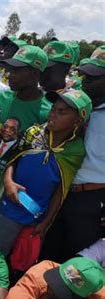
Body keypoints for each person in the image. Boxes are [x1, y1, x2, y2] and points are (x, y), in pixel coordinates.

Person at [0, 89, 91, 256]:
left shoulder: (75, 150)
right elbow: (13, 160)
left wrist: (47, 220)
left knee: (22, 261)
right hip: (12, 206)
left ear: (77, 121)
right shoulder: (33, 133)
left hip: (38, 215)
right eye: (53, 109)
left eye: (61, 112)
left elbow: (61, 188)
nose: (53, 115)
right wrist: (8, 182)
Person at [0, 45, 52, 223]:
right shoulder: (0, 98)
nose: (10, 74)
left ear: (34, 74)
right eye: (10, 69)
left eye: (17, 70)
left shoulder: (46, 111)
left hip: (14, 191)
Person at [43, 46, 105, 262]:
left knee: (75, 260)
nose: (85, 80)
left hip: (90, 199)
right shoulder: (72, 105)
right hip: (57, 191)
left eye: (94, 77)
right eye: (85, 74)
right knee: (47, 252)